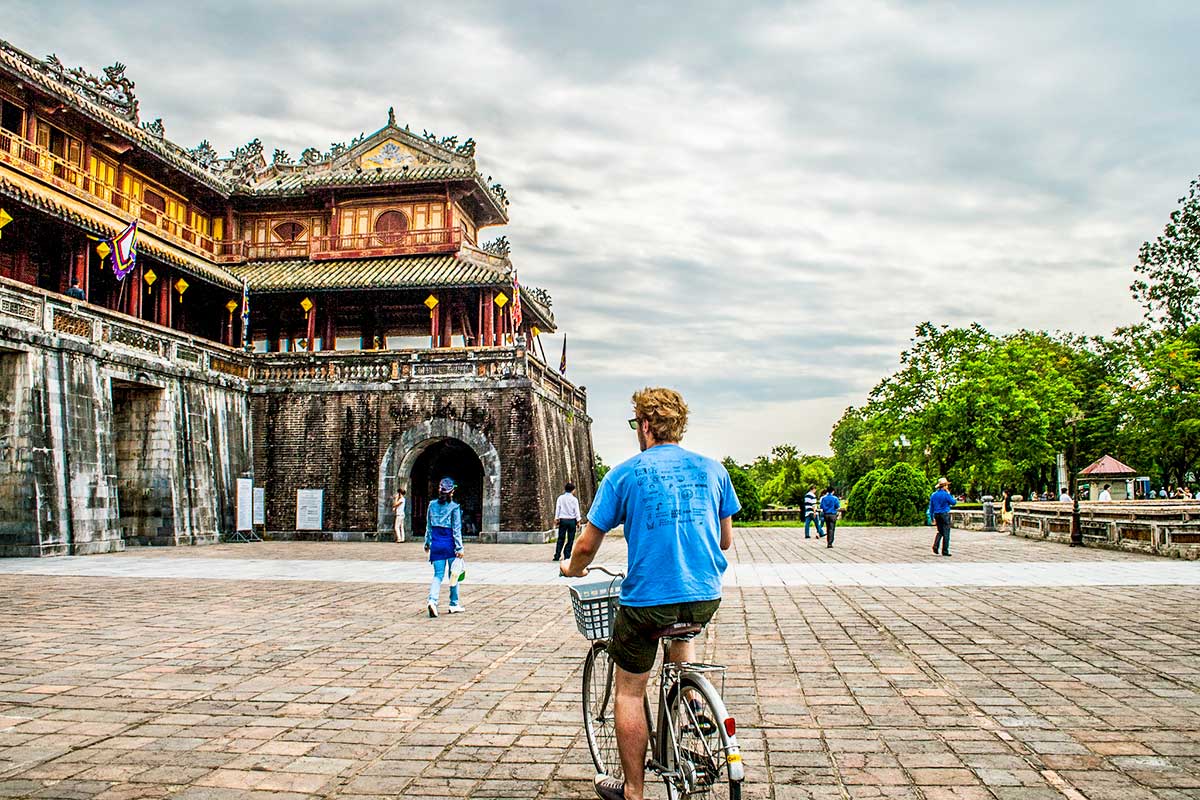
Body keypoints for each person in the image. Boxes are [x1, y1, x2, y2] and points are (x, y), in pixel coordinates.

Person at [560, 387, 739, 800]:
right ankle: (691, 703)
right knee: (682, 631)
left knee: (630, 690)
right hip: (704, 596)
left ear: (644, 426)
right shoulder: (714, 470)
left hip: (647, 603)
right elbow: (725, 541)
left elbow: (586, 546)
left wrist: (572, 566)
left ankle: (634, 789)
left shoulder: (624, 474)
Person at [424, 477, 464, 617]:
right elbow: (456, 529)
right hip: (449, 543)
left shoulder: (431, 505)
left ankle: (432, 601)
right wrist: (460, 548)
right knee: (454, 575)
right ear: (452, 492)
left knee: (438, 575)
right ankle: (453, 603)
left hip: (436, 542)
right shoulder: (454, 507)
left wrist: (427, 542)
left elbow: (428, 526)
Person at [553, 481, 583, 561]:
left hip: (563, 520)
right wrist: (578, 521)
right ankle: (567, 554)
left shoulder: (560, 498)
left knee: (561, 538)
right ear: (573, 490)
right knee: (570, 539)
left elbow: (558, 509)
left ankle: (557, 555)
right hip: (571, 521)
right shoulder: (574, 500)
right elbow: (577, 511)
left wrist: (556, 518)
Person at [929, 478, 956, 556]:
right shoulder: (946, 494)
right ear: (944, 486)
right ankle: (945, 551)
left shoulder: (933, 495)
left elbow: (931, 507)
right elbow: (953, 502)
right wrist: (949, 494)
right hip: (944, 514)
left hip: (936, 514)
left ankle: (935, 546)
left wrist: (931, 517)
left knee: (940, 531)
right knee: (946, 533)